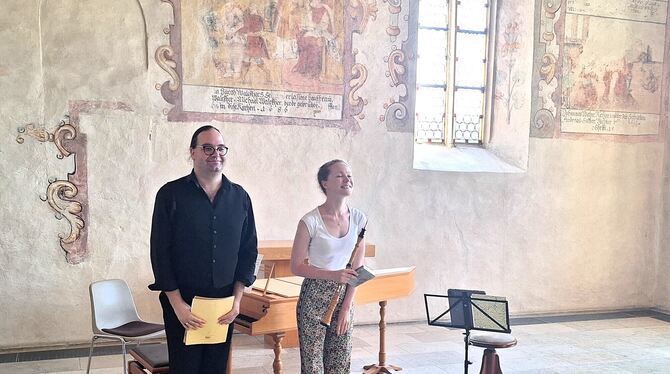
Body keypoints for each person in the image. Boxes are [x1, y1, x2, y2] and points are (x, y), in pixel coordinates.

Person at [149, 125, 258, 374]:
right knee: (185, 368)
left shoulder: (240, 197)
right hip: (183, 302)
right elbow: (160, 253)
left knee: (216, 368)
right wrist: (177, 305)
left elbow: (248, 250)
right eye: (207, 148)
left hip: (224, 303)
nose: (215, 153)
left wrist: (237, 301)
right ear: (193, 152)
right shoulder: (170, 194)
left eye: (220, 148)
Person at [290, 159, 367, 374]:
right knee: (313, 365)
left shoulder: (360, 219)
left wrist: (346, 308)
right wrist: (333, 275)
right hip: (315, 295)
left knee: (340, 364)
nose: (347, 179)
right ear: (325, 182)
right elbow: (295, 266)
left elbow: (357, 270)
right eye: (340, 175)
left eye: (349, 175)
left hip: (345, 296)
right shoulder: (310, 221)